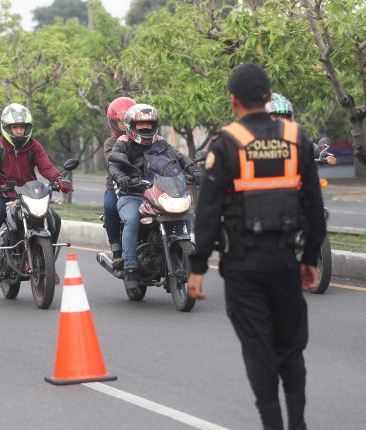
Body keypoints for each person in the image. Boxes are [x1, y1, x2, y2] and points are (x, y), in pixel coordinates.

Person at [186, 64, 325, 430]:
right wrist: (309, 258)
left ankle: (272, 425)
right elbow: (314, 207)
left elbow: (208, 213)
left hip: (242, 266)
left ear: (233, 101)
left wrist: (197, 268)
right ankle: (298, 423)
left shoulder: (226, 143)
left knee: (258, 348)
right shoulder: (297, 138)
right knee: (290, 348)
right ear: (268, 98)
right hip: (285, 260)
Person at [0, 103, 73, 284]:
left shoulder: (34, 146)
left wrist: (60, 180)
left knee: (56, 219)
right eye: (15, 127)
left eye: (22, 127)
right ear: (7, 128)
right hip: (5, 196)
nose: (19, 131)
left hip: (30, 195)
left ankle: (48, 264)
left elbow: (47, 167)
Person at [107, 103, 196, 292]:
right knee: (131, 219)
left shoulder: (161, 142)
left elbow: (179, 157)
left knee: (186, 212)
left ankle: (184, 249)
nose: (145, 128)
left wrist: (192, 169)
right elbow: (113, 163)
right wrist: (121, 177)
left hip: (160, 193)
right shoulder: (123, 142)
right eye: (141, 125)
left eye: (149, 123)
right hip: (133, 195)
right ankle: (130, 267)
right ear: (131, 125)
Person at [102, 97, 136, 269]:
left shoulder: (143, 139)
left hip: (141, 187)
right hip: (116, 187)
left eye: (126, 120)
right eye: (120, 121)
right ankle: (116, 251)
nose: (124, 124)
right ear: (113, 123)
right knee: (110, 207)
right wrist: (121, 176)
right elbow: (111, 163)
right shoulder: (110, 142)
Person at [266, 93, 337, 166]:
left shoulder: (294, 138)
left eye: (286, 116)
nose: (282, 120)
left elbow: (311, 148)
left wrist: (327, 156)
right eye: (276, 116)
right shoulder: (257, 139)